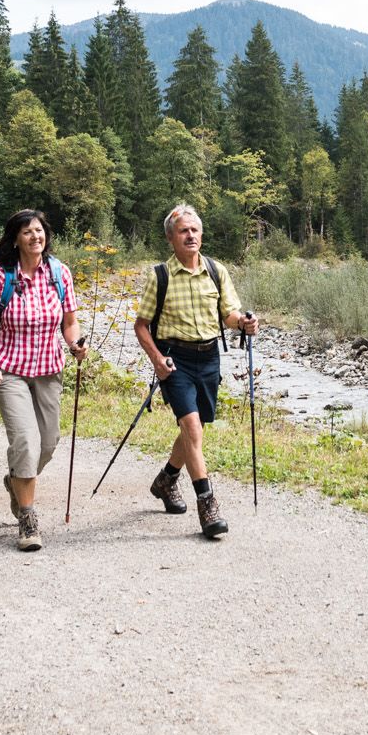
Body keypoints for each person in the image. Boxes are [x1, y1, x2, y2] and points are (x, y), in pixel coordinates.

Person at [133, 204, 257, 539]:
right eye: (183, 230)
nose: (191, 235)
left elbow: (229, 313)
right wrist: (158, 360)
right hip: (175, 361)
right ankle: (208, 504)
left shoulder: (216, 271)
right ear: (170, 237)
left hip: (209, 358)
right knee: (192, 427)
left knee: (195, 429)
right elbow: (141, 326)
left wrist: (243, 323)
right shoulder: (159, 275)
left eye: (195, 230)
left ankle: (166, 479)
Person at [0, 209, 87, 552]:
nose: (34, 236)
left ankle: (15, 481)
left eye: (38, 230)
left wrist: (74, 343)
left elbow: (69, 321)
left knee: (48, 443)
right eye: (27, 232)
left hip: (49, 370)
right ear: (16, 239)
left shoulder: (59, 273)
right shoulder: (2, 279)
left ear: (46, 236)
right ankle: (27, 518)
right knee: (25, 440)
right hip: (8, 371)